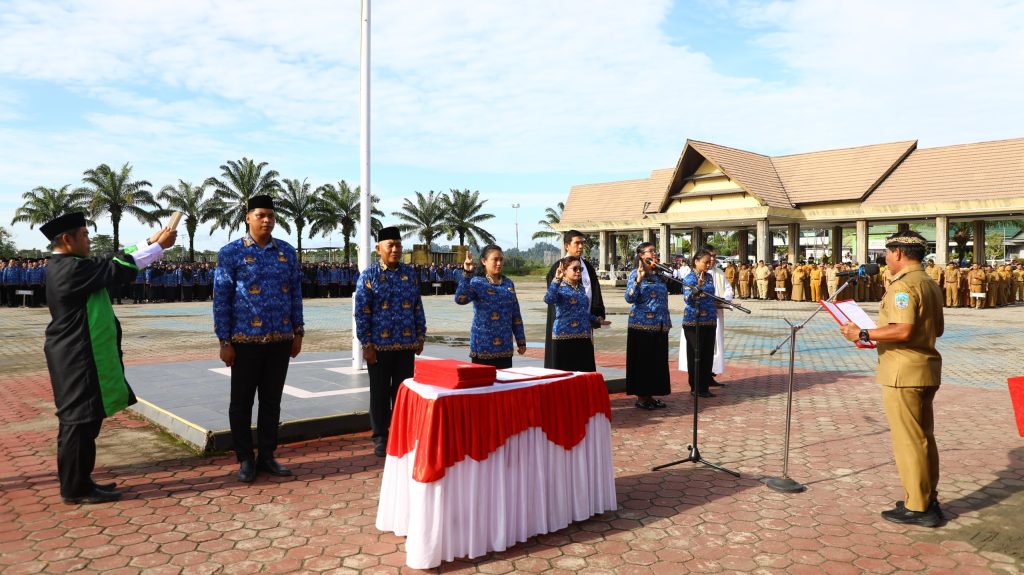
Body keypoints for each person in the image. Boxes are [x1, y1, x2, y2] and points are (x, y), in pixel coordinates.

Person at [41, 212, 176, 504]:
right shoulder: (70, 269)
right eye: (85, 235)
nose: (89, 241)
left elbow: (114, 259)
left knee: (85, 422)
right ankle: (75, 488)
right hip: (77, 358)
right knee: (78, 423)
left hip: (79, 355)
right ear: (67, 239)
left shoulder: (71, 264)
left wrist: (151, 240)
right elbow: (118, 268)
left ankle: (81, 481)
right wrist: (159, 248)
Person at [840, 230, 943, 526]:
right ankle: (925, 495)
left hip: (903, 372)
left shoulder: (904, 287)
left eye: (886, 253)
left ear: (898, 253)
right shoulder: (928, 283)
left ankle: (918, 507)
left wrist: (862, 333)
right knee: (923, 438)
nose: (885, 259)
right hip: (924, 368)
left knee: (908, 441)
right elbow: (939, 328)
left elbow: (902, 330)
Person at [213, 195, 304, 483]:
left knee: (271, 402)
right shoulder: (231, 253)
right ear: (247, 218)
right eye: (261, 215)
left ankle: (267, 455)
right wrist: (224, 341)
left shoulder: (287, 252)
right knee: (241, 403)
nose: (267, 220)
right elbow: (221, 298)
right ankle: (244, 458)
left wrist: (298, 332)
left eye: (271, 216)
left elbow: (296, 294)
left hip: (280, 340)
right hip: (244, 341)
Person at [354, 226, 427, 457]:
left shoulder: (409, 274)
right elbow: (362, 312)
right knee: (379, 393)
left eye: (398, 245)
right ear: (379, 249)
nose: (395, 249)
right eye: (390, 245)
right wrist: (366, 344)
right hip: (379, 347)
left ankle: (402, 432)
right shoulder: (369, 275)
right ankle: (380, 437)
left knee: (404, 392)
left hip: (406, 344)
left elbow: (417, 306)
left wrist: (420, 334)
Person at [454, 244, 526, 369]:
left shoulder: (508, 283)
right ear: (484, 261)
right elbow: (460, 299)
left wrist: (521, 341)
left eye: (501, 260)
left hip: (505, 348)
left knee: (505, 386)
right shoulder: (477, 282)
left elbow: (516, 314)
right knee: (483, 387)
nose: (499, 263)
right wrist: (466, 273)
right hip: (483, 347)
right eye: (495, 259)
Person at [544, 230, 605, 369]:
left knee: (583, 364)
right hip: (564, 328)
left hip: (584, 325)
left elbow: (595, 292)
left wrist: (597, 315)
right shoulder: (557, 268)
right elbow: (551, 299)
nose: (581, 247)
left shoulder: (588, 267)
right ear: (567, 245)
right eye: (577, 243)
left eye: (582, 243)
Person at [624, 242, 672, 410]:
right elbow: (629, 298)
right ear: (641, 255)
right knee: (643, 363)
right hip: (641, 326)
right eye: (650, 251)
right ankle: (642, 398)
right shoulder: (635, 274)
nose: (654, 253)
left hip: (659, 324)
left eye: (654, 250)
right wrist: (638, 280)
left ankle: (650, 396)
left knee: (655, 363)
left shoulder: (659, 275)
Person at [681, 248, 719, 398]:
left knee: (707, 354)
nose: (709, 265)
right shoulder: (689, 278)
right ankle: (695, 387)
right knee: (696, 355)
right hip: (694, 321)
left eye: (710, 262)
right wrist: (697, 287)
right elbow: (688, 299)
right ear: (696, 262)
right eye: (705, 262)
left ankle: (704, 386)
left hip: (710, 320)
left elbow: (710, 295)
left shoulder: (709, 277)